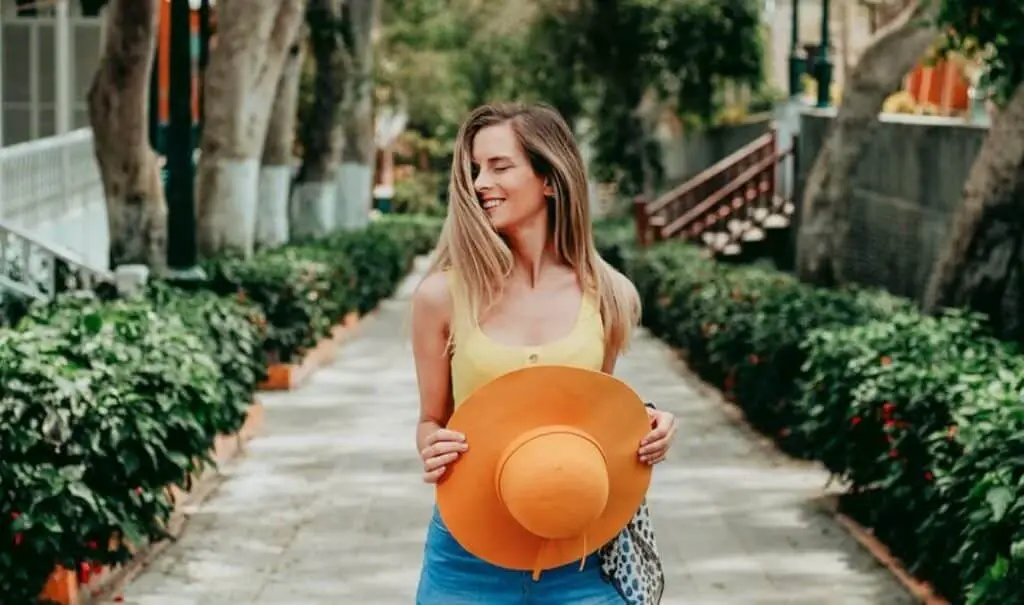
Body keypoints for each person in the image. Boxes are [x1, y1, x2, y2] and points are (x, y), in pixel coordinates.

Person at [410, 102, 677, 604]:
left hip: (581, 554)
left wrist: (648, 424)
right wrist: (430, 444)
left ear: (550, 178)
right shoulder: (441, 297)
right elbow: (431, 418)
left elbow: (593, 416)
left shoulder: (608, 295)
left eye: (499, 166)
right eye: (474, 169)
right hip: (467, 557)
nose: (479, 182)